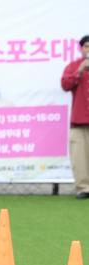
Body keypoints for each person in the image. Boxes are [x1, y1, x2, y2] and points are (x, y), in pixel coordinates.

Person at [62, 35, 89, 199]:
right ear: (81, 49)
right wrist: (80, 71)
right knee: (79, 156)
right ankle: (84, 188)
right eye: (86, 46)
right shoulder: (73, 66)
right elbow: (65, 85)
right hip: (79, 120)